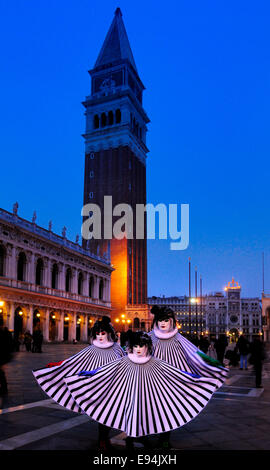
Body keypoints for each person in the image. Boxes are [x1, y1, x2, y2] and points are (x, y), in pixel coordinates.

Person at [64, 331, 222, 452]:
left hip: (149, 394)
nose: (139, 349)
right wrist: (85, 374)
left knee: (151, 414)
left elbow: (175, 372)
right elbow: (104, 370)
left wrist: (196, 378)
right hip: (126, 393)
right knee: (117, 414)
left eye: (142, 346)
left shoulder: (155, 361)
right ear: (131, 347)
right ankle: (119, 439)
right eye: (136, 346)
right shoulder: (124, 360)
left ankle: (142, 438)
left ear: (148, 347)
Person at [32, 316, 125, 450]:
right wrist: (58, 365)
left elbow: (125, 361)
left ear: (109, 334)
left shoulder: (116, 348)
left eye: (103, 333)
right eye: (97, 333)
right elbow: (74, 360)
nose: (100, 336)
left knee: (111, 414)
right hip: (98, 387)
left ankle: (104, 438)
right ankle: (102, 440)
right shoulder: (91, 349)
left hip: (115, 386)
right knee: (104, 415)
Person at [0, 325, 13, 395]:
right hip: (3, 355)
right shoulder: (5, 333)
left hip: (2, 355)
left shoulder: (3, 333)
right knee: (1, 373)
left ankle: (4, 389)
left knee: (1, 373)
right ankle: (4, 388)